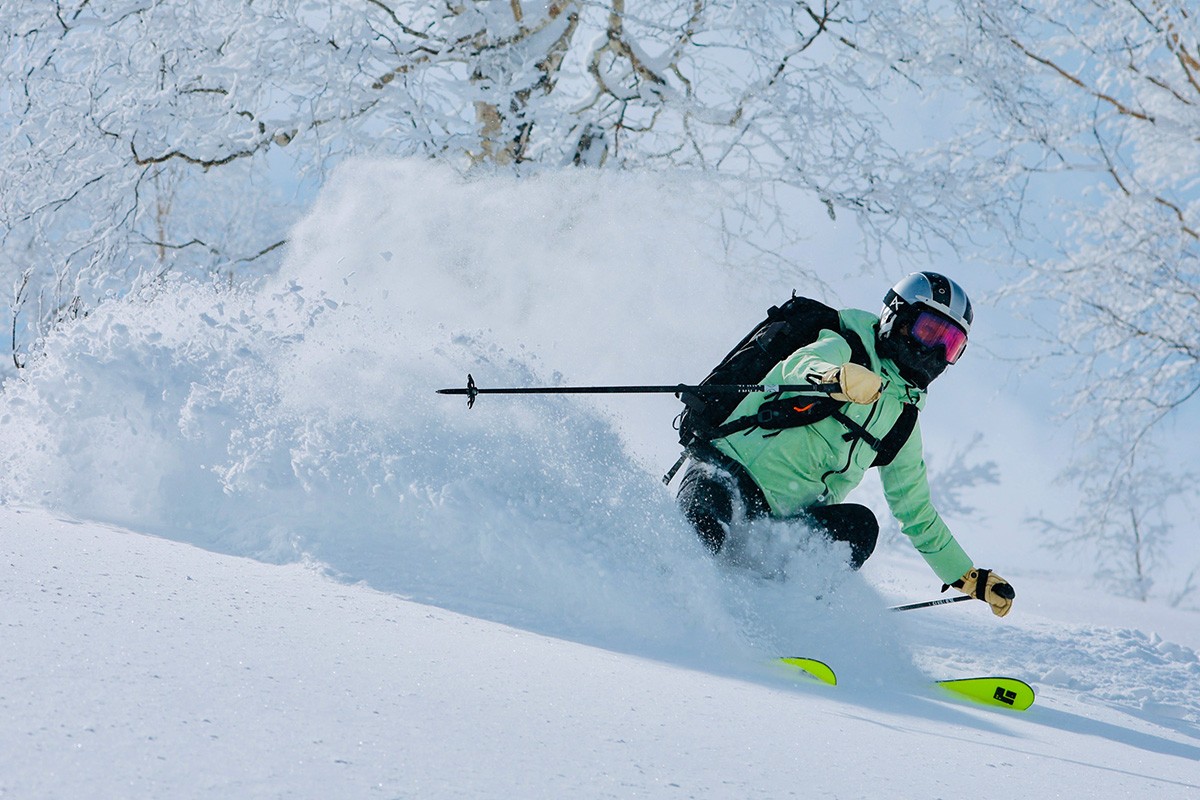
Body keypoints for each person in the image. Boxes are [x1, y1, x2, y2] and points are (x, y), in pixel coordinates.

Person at [675, 272, 1015, 616]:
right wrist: (835, 377)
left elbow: (916, 511)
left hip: (782, 525)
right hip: (725, 472)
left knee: (860, 527)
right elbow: (798, 365)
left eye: (951, 344)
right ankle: (669, 592)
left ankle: (777, 616)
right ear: (898, 316)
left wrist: (968, 577)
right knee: (703, 528)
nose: (935, 351)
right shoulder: (846, 343)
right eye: (928, 331)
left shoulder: (902, 418)